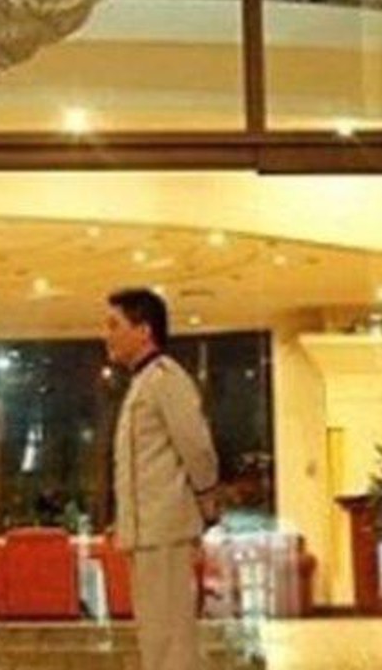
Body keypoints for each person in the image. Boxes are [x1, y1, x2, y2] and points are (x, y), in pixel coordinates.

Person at [103, 287, 220, 670]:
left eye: (115, 325)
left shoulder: (167, 378)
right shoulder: (141, 384)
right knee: (155, 638)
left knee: (172, 639)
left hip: (166, 528)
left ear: (144, 330)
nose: (107, 335)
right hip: (146, 532)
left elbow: (196, 446)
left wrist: (207, 498)